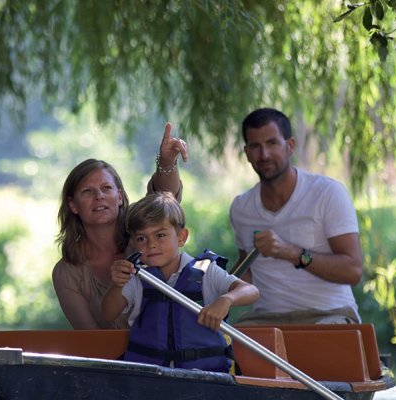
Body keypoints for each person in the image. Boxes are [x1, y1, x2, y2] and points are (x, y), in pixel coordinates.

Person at [229, 108, 363, 325]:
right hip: (266, 319)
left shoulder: (327, 193)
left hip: (329, 315)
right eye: (255, 146)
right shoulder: (241, 208)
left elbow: (353, 271)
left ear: (289, 146)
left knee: (324, 344)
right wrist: (210, 284)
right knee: (230, 346)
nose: (264, 155)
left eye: (272, 143)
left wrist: (290, 252)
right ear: (246, 152)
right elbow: (248, 273)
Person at [101, 192, 261, 373]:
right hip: (150, 379)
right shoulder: (136, 277)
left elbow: (251, 291)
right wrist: (116, 285)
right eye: (141, 238)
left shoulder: (206, 271)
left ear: (181, 237)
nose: (151, 244)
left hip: (204, 379)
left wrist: (227, 300)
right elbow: (108, 314)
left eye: (160, 235)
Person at [52, 123, 187, 329]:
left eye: (106, 188)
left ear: (120, 197)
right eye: (87, 191)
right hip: (110, 359)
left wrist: (167, 161)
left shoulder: (143, 233)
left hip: (169, 354)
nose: (99, 196)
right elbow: (90, 338)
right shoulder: (66, 273)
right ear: (73, 205)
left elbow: (165, 201)